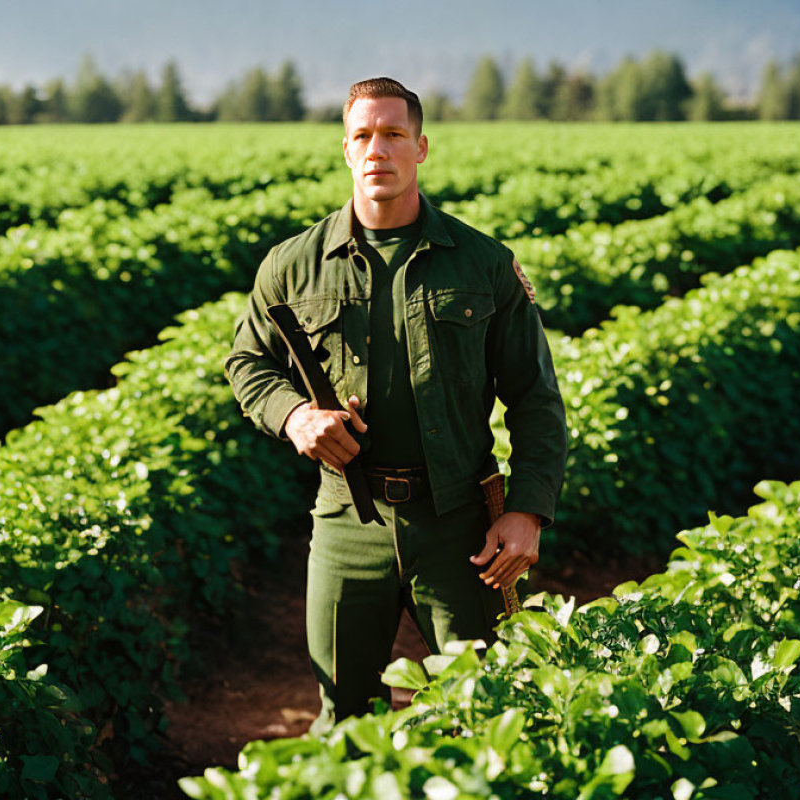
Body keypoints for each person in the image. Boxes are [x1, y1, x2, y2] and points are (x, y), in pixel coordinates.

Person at [225, 77, 567, 733]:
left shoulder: (483, 265)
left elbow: (535, 398)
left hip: (460, 526)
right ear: (346, 150)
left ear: (421, 147)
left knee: (484, 712)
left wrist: (527, 511)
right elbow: (247, 362)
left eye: (393, 135)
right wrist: (297, 417)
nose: (377, 149)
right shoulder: (292, 266)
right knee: (345, 714)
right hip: (347, 521)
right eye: (363, 136)